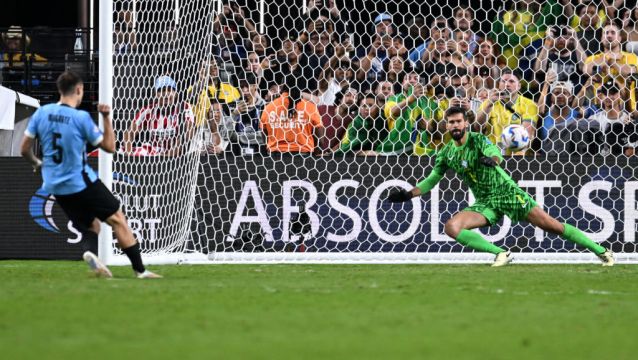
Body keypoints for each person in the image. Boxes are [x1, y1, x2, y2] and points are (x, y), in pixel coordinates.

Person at [386, 106, 614, 267]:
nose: (455, 125)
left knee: (552, 226)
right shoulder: (446, 152)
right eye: (451, 122)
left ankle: (601, 251)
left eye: (458, 121)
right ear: (447, 125)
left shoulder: (477, 140)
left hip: (506, 192)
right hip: (484, 202)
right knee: (452, 227)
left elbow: (495, 153)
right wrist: (408, 194)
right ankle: (502, 254)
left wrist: (492, 160)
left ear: (465, 123)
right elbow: (432, 179)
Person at [19, 71, 161, 278]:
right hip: (80, 180)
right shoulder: (80, 118)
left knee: (91, 225)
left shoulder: (42, 113)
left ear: (59, 90)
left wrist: (36, 163)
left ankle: (91, 254)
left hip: (54, 184)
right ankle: (141, 271)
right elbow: (111, 147)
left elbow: (24, 148)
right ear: (78, 90)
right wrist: (105, 118)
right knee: (118, 219)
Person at [124, 75, 195, 156]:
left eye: (169, 90)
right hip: (155, 153)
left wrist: (168, 156)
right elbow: (129, 133)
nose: (166, 94)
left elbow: (189, 134)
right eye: (162, 90)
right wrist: (128, 154)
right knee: (137, 152)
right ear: (156, 94)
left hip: (178, 155)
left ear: (175, 93)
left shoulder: (184, 107)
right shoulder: (148, 110)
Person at [476, 69, 538, 153]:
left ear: (519, 86)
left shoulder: (529, 104)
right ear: (498, 84)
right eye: (503, 81)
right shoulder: (489, 102)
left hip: (517, 155)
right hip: (492, 155)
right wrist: (489, 104)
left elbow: (526, 135)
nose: (507, 84)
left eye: (511, 81)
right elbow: (477, 127)